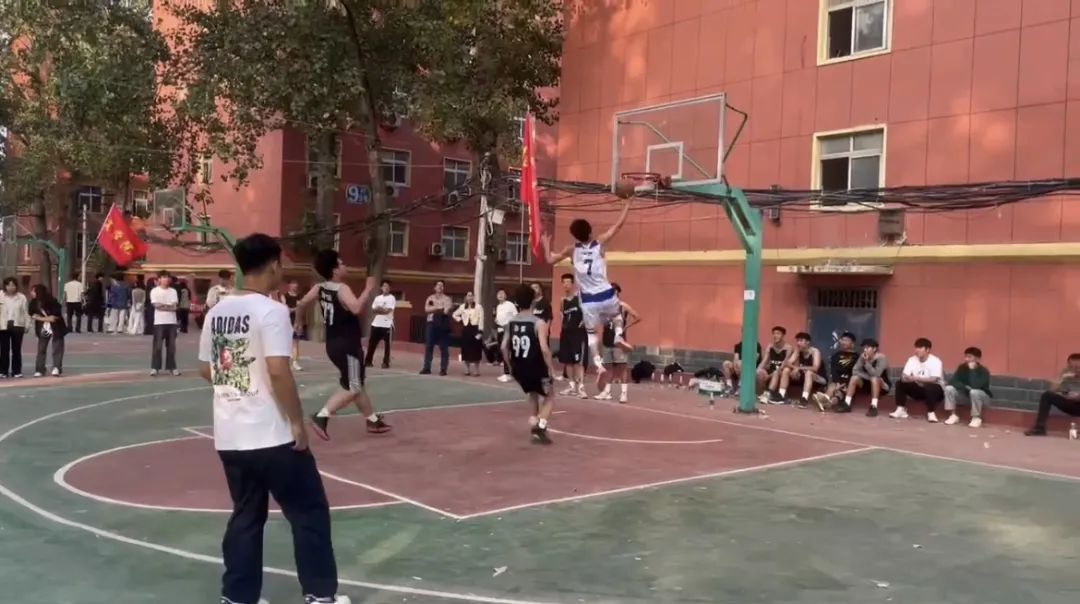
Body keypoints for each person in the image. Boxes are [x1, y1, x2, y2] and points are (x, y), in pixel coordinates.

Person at [198, 233, 351, 604]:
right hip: (272, 435)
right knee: (308, 512)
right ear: (272, 265)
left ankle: (238, 597)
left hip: (230, 436)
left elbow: (205, 368)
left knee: (246, 516)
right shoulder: (272, 311)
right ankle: (320, 595)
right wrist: (297, 423)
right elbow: (279, 370)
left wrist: (238, 386)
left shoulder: (217, 312)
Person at [292, 249, 390, 439]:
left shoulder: (319, 288)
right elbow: (356, 308)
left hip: (333, 345)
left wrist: (298, 321)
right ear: (335, 269)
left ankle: (372, 420)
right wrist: (368, 288)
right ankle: (322, 416)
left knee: (355, 383)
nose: (345, 265)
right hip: (348, 345)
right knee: (354, 386)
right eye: (341, 263)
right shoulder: (341, 288)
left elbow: (302, 303)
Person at [541, 197, 633, 375]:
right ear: (590, 231)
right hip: (606, 292)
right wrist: (628, 204)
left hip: (588, 299)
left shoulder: (571, 250)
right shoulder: (599, 243)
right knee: (616, 316)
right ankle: (618, 335)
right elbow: (618, 226)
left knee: (591, 332)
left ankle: (598, 364)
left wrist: (546, 244)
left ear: (575, 236)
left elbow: (550, 260)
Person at [502, 283, 556, 445]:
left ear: (516, 302)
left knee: (532, 393)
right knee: (550, 396)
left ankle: (535, 426)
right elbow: (544, 348)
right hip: (536, 366)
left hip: (519, 367)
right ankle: (540, 425)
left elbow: (504, 347)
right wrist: (551, 368)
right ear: (533, 300)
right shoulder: (538, 323)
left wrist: (510, 367)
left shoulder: (511, 323)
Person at [594, 283, 640, 403]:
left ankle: (624, 393)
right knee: (608, 367)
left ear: (617, 293)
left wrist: (626, 327)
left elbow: (637, 317)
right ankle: (607, 392)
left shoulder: (623, 306)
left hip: (619, 341)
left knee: (622, 367)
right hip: (607, 340)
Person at [1025, 353, 1080, 437]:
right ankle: (1039, 428)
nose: (1076, 370)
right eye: (1072, 367)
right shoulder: (1066, 373)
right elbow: (1052, 390)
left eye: (1078, 367)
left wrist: (1077, 397)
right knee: (1047, 395)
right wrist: (1061, 378)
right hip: (1069, 403)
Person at [891, 337, 945, 422]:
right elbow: (903, 377)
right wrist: (914, 380)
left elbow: (933, 379)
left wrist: (915, 378)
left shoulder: (936, 361)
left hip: (936, 392)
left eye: (920, 348)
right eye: (916, 347)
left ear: (927, 350)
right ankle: (900, 409)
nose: (917, 350)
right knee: (900, 383)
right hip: (919, 389)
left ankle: (931, 412)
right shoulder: (912, 360)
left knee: (931, 387)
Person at [556, 274, 589, 398]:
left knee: (578, 362)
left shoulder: (579, 298)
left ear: (572, 283)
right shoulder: (562, 300)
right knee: (567, 361)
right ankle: (571, 386)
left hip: (578, 334)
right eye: (564, 282)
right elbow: (562, 314)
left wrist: (584, 321)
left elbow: (588, 312)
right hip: (566, 333)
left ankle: (581, 387)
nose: (566, 284)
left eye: (568, 282)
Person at [839, 338, 891, 416]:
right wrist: (868, 376)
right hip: (868, 383)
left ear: (874, 349)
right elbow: (855, 371)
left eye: (867, 347)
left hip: (882, 385)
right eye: (864, 347)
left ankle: (873, 406)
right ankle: (847, 403)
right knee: (854, 377)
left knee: (874, 379)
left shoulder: (881, 358)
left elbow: (877, 374)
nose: (865, 350)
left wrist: (866, 362)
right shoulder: (862, 356)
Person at [944, 347, 992, 428]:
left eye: (969, 357)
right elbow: (952, 381)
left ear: (977, 359)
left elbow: (975, 386)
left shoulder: (983, 371)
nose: (966, 359)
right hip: (966, 394)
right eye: (965, 356)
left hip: (982, 397)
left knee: (974, 392)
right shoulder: (962, 367)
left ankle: (976, 418)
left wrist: (972, 371)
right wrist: (965, 386)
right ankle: (953, 415)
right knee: (949, 388)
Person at [775, 332, 824, 407]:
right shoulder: (798, 351)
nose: (798, 343)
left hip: (819, 378)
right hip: (804, 376)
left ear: (807, 342)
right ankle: (781, 395)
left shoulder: (815, 351)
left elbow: (815, 368)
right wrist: (795, 368)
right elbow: (788, 363)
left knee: (809, 373)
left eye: (801, 341)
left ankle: (804, 399)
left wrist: (798, 368)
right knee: (786, 370)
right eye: (797, 341)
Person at [28, 284, 65, 377]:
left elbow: (54, 317)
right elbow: (32, 314)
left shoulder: (52, 302)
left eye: (33, 291)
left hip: (56, 328)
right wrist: (43, 319)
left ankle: (57, 367)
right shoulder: (33, 303)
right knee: (41, 348)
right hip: (43, 328)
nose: (31, 293)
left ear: (38, 292)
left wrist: (41, 318)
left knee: (57, 348)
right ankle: (40, 369)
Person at [817, 332, 858, 412]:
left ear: (852, 343)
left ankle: (826, 403)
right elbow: (834, 370)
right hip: (838, 380)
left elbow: (855, 372)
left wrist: (844, 384)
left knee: (839, 394)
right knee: (832, 386)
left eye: (846, 340)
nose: (843, 342)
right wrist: (837, 382)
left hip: (850, 382)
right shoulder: (836, 355)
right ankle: (826, 399)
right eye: (842, 340)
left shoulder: (857, 356)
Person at [149, 272, 180, 376]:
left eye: (167, 277)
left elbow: (174, 306)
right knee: (157, 346)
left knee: (171, 347)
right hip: (159, 322)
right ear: (159, 279)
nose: (166, 279)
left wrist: (163, 306)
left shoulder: (173, 291)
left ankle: (172, 367)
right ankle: (155, 368)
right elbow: (156, 305)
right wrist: (168, 306)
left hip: (172, 322)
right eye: (164, 277)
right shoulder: (154, 291)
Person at [420, 280, 453, 376]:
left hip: (442, 323)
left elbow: (446, 310)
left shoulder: (447, 298)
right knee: (429, 345)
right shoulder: (430, 298)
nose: (440, 287)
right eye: (438, 285)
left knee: (443, 347)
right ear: (434, 287)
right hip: (431, 323)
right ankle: (427, 367)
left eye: (441, 285)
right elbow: (427, 309)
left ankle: (443, 369)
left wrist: (434, 308)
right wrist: (438, 307)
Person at [0, 277, 30, 378]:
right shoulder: (1, 295)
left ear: (16, 286)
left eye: (13, 285)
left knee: (16, 349)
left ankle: (16, 371)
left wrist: (27, 325)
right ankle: (3, 371)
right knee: (4, 349)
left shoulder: (21, 297)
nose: (11, 287)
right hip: (3, 325)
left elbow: (26, 312)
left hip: (17, 325)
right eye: (8, 285)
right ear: (5, 286)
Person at [756, 326, 793, 404]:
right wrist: (758, 370)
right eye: (774, 333)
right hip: (772, 369)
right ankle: (760, 392)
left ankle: (768, 393)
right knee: (760, 372)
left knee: (776, 372)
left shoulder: (788, 348)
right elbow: (764, 361)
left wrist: (768, 376)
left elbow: (783, 365)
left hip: (782, 371)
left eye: (778, 333)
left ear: (783, 335)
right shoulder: (770, 346)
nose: (775, 335)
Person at [364, 280, 395, 369]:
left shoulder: (392, 298)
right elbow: (373, 310)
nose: (386, 288)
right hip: (376, 324)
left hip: (387, 324)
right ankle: (368, 361)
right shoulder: (377, 298)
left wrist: (379, 309)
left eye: (388, 286)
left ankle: (385, 363)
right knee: (372, 343)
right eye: (384, 286)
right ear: (381, 287)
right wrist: (381, 309)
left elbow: (387, 311)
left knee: (387, 346)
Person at [452, 291, 484, 376]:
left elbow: (481, 319)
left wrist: (480, 331)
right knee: (466, 349)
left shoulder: (478, 306)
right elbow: (454, 314)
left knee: (476, 349)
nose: (470, 297)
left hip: (475, 328)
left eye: (471, 295)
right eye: (468, 296)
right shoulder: (462, 306)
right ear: (466, 297)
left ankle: (476, 370)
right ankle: (467, 369)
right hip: (466, 329)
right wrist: (460, 320)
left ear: (473, 297)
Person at [493, 288, 517, 382]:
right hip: (500, 330)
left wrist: (509, 325)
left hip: (509, 330)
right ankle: (507, 372)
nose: (500, 295)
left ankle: (509, 373)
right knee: (503, 351)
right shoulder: (498, 306)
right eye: (499, 293)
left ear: (506, 296)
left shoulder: (510, 305)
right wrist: (497, 320)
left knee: (507, 350)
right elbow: (499, 318)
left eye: (502, 293)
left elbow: (516, 316)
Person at [284, 280, 304, 371]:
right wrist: (296, 308)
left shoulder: (300, 296)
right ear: (289, 285)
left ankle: (295, 362)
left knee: (295, 343)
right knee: (285, 343)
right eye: (293, 284)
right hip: (286, 321)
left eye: (296, 285)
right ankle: (285, 363)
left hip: (296, 322)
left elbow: (301, 309)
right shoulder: (285, 296)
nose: (295, 286)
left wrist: (300, 323)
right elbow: (286, 309)